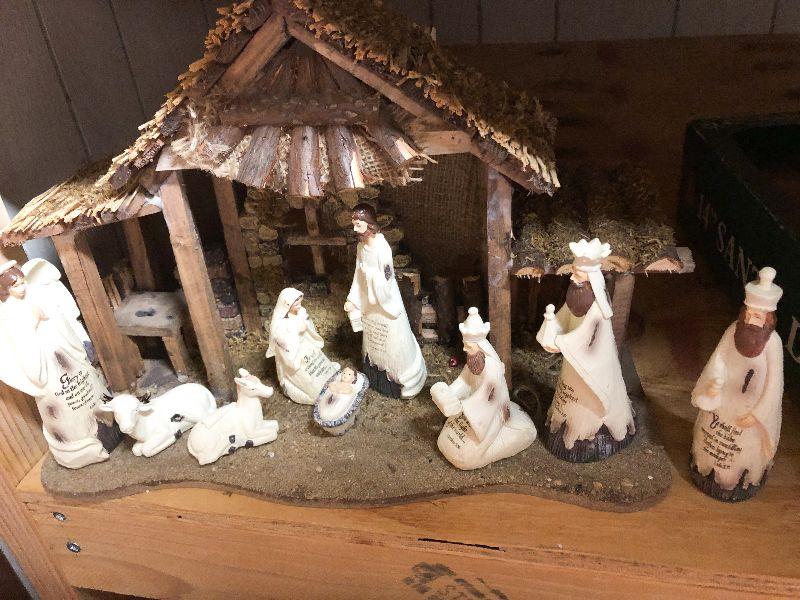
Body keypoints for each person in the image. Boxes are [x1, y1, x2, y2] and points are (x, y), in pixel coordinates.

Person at [0, 260, 113, 468]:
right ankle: (82, 444)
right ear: (5, 290)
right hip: (47, 370)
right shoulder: (7, 315)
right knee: (66, 410)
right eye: (16, 286)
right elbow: (22, 348)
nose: (22, 287)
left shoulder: (34, 295)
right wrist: (33, 322)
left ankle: (109, 421)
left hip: (66, 355)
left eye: (23, 282)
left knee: (91, 386)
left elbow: (60, 319)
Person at [536, 238, 635, 462]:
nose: (573, 277)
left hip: (591, 367)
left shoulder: (597, 309)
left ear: (591, 277)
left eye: (578, 273)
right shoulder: (576, 297)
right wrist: (551, 326)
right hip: (573, 364)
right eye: (573, 271)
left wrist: (561, 342)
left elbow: (585, 338)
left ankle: (589, 433)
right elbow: (564, 317)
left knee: (588, 402)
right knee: (569, 390)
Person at [690, 267, 784, 501]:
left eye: (758, 316)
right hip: (723, 402)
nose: (752, 319)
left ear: (768, 319)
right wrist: (714, 384)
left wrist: (759, 414)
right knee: (709, 437)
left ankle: (738, 481)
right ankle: (705, 468)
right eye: (749, 313)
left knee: (744, 450)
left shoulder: (773, 344)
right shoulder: (734, 330)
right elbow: (719, 360)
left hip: (749, 411)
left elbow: (774, 385)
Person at [431, 308, 537, 470]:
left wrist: (463, 405)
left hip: (491, 414)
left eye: (468, 346)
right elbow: (464, 381)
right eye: (465, 345)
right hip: (472, 410)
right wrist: (449, 393)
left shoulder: (492, 368)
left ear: (480, 347)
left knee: (471, 454)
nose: (465, 349)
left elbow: (488, 398)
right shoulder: (474, 361)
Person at [344, 203, 426, 398]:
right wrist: (353, 299)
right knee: (373, 341)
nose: (355, 229)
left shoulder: (382, 248)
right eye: (354, 225)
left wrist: (370, 275)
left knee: (391, 339)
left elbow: (388, 278)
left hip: (383, 300)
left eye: (358, 225)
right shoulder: (361, 247)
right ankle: (375, 374)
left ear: (369, 224)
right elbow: (357, 274)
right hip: (368, 300)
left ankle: (398, 379)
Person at [266, 287, 339, 405]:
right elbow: (282, 342)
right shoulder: (280, 324)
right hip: (294, 356)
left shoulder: (301, 312)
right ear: (286, 304)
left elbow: (308, 325)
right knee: (311, 384)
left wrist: (306, 326)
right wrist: (296, 331)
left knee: (323, 369)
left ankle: (328, 376)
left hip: (307, 347)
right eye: (296, 303)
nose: (299, 305)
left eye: (300, 302)